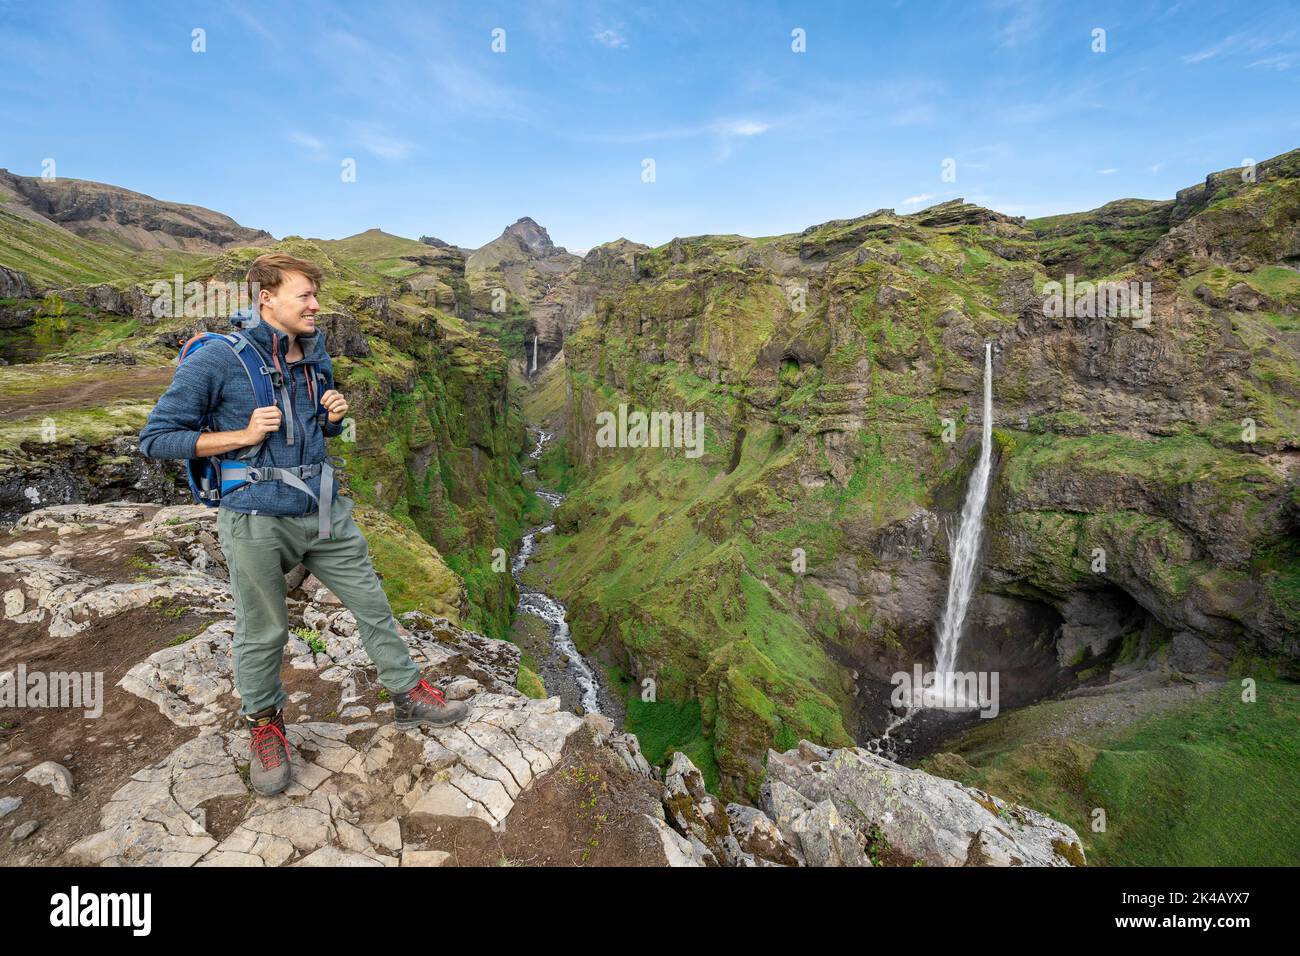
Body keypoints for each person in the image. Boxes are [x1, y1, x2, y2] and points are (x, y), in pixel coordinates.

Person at [139, 253, 467, 796]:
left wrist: (334, 418)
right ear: (265, 298)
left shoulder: (316, 356)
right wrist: (240, 438)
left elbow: (314, 432)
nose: (316, 306)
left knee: (372, 605)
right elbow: (156, 439)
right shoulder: (217, 359)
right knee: (263, 628)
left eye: (316, 295)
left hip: (323, 511)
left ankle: (408, 694)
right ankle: (265, 726)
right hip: (255, 518)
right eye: (304, 296)